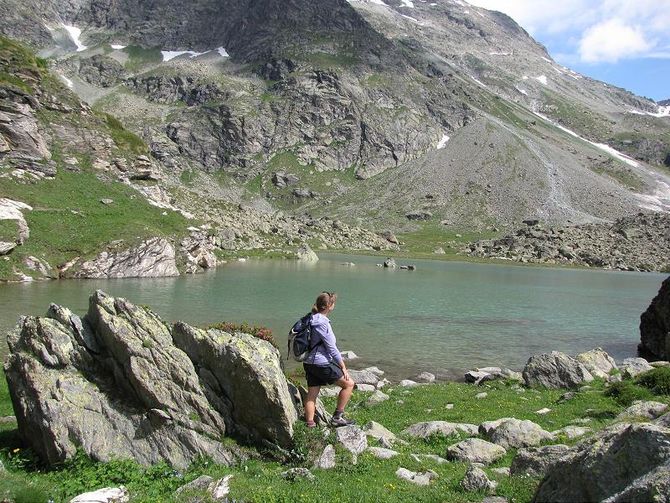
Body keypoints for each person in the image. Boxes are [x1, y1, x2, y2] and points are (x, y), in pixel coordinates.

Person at [303, 291, 356, 427]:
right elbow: (332, 349)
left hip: (309, 363)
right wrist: (343, 367)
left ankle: (309, 424)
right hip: (321, 363)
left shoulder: (311, 318)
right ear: (329, 306)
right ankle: (337, 417)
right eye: (333, 303)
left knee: (312, 394)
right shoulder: (323, 323)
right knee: (349, 384)